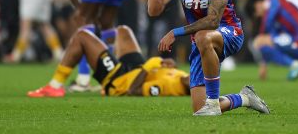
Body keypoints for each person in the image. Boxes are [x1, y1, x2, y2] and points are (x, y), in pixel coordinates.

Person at [147, 0, 269, 116]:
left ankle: (212, 102)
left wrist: (176, 32)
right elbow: (154, 10)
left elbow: (213, 20)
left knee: (204, 35)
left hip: (229, 32)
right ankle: (245, 98)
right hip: (200, 40)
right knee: (199, 109)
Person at [27, 25, 190, 97]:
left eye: (198, 84)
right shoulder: (183, 76)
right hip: (136, 69)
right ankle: (101, 47)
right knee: (123, 31)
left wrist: (149, 66)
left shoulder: (169, 88)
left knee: (82, 36)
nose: (197, 80)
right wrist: (167, 65)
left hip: (119, 80)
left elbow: (135, 90)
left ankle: (55, 87)